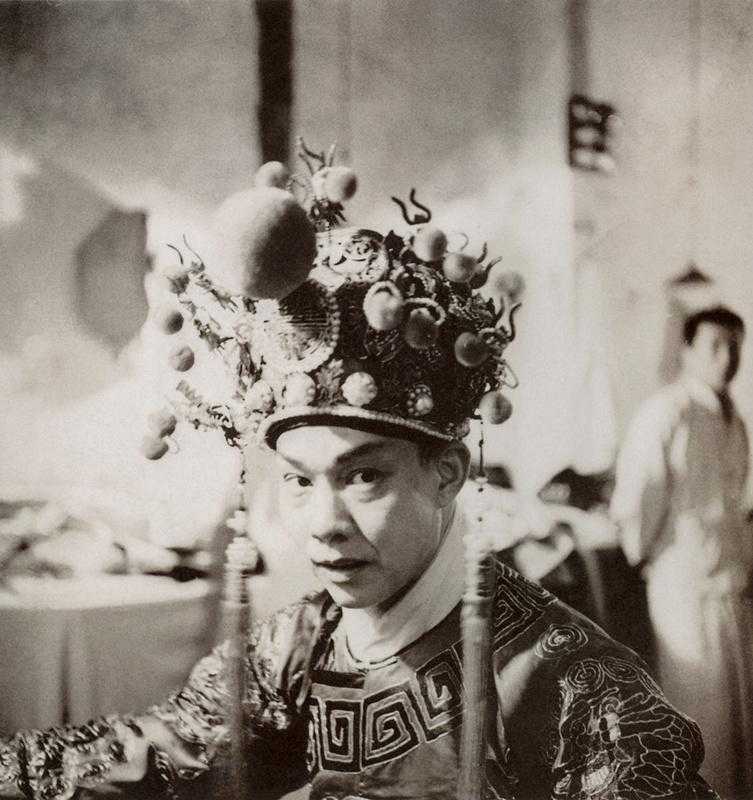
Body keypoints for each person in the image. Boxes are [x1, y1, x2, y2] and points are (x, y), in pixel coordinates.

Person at [1, 150, 716, 800]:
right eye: (300, 481)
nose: (324, 524)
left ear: (447, 473)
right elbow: (158, 757)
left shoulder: (572, 684)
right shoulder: (302, 643)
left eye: (364, 477)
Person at [611, 304, 752, 798]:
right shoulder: (667, 412)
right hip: (684, 586)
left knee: (739, 722)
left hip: (731, 586)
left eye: (735, 346)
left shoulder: (734, 420)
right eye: (714, 346)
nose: (726, 358)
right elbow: (638, 498)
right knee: (699, 715)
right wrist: (648, 558)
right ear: (688, 351)